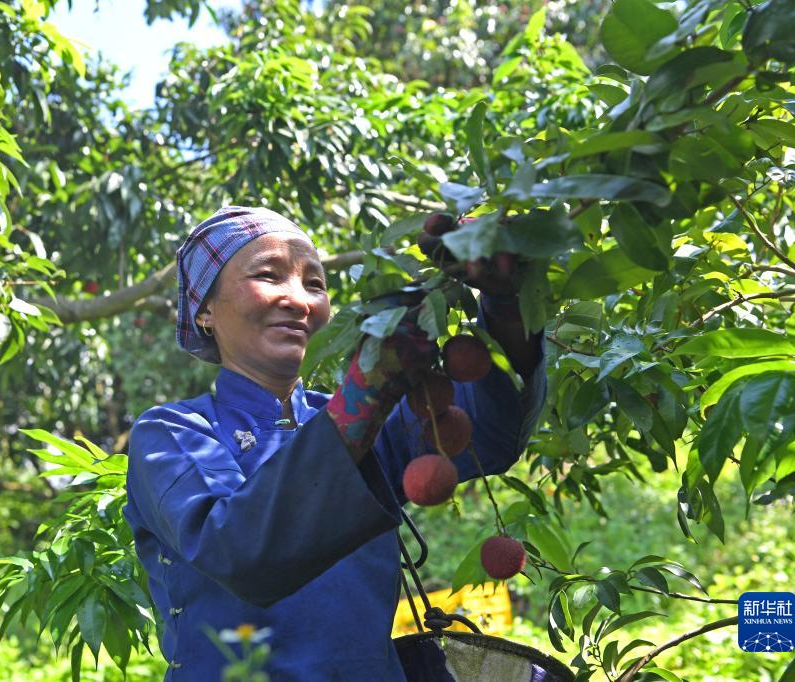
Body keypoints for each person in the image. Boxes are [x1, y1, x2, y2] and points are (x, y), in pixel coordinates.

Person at [122, 205, 546, 680]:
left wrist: (507, 306)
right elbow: (238, 549)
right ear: (204, 310)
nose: (299, 300)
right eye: (269, 275)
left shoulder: (364, 421)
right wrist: (364, 395)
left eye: (315, 284)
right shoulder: (172, 433)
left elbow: (489, 435)